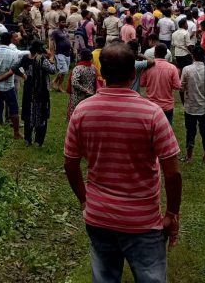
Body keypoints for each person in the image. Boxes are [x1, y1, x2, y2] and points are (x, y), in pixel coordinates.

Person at [64, 43, 182, 283]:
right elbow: (172, 173)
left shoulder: (82, 111)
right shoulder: (152, 113)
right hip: (143, 220)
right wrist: (172, 213)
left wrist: (85, 200)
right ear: (133, 73)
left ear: (102, 74)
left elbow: (70, 163)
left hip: (98, 216)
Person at [13, 40, 57, 147]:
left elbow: (15, 67)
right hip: (40, 90)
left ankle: (28, 139)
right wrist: (51, 58)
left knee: (28, 113)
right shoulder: (41, 59)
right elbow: (52, 70)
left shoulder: (25, 57)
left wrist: (24, 76)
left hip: (28, 89)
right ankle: (38, 141)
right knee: (41, 114)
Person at [179, 47, 205, 164]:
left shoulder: (186, 70)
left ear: (192, 56)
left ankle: (189, 157)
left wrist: (183, 102)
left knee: (190, 132)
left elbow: (181, 89)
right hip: (204, 106)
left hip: (190, 106)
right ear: (204, 56)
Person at [0, 31, 23, 138]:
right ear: (10, 40)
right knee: (13, 109)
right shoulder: (13, 54)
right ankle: (16, 133)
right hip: (8, 86)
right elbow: (12, 71)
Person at [140, 43, 181, 124]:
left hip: (151, 105)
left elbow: (142, 83)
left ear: (155, 53)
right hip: (167, 106)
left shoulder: (148, 67)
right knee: (166, 132)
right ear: (166, 54)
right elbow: (177, 86)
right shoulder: (172, 68)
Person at [66, 48, 97, 121]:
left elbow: (74, 83)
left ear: (81, 57)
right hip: (90, 96)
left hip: (78, 97)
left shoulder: (78, 68)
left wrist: (85, 90)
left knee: (75, 116)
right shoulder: (93, 68)